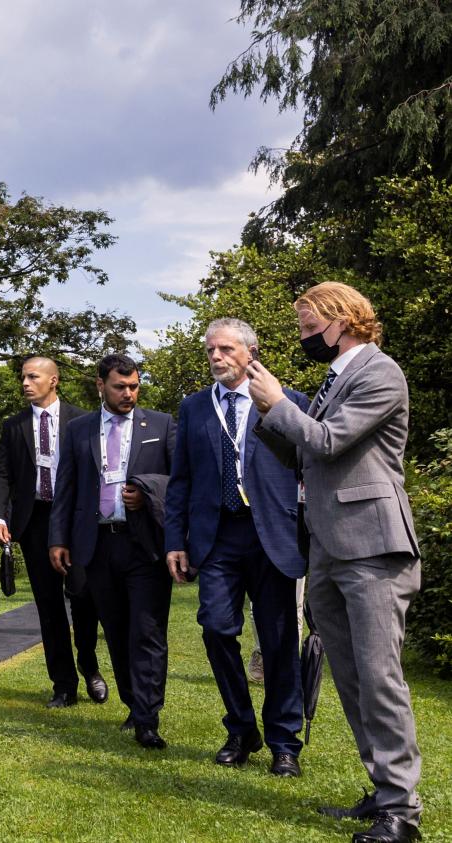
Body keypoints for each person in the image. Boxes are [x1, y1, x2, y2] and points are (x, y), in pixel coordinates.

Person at [249, 282, 422, 843]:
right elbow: (305, 455)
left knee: (379, 678)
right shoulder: (337, 377)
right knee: (350, 678)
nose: (302, 336)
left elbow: (328, 441)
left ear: (342, 319)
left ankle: (401, 813)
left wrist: (279, 404)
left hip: (372, 546)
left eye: (307, 326)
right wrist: (268, 415)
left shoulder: (379, 372)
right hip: (328, 548)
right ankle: (383, 791)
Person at [163, 318, 307, 777]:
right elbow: (180, 480)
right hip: (217, 537)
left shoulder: (287, 402)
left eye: (226, 349)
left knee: (279, 641)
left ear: (251, 352)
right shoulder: (194, 408)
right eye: (211, 350)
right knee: (216, 629)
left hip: (272, 537)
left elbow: (308, 474)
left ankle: (285, 742)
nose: (216, 357)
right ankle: (241, 728)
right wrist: (175, 540)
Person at [50, 353, 175, 749]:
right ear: (100, 384)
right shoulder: (79, 430)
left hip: (144, 545)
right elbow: (65, 487)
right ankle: (133, 703)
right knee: (117, 631)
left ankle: (147, 717)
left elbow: (180, 480)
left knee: (148, 630)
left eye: (134, 386)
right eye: (120, 386)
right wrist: (58, 538)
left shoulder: (161, 424)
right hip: (97, 544)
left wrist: (149, 491)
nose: (129, 393)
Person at [0, 357, 108, 707]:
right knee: (49, 606)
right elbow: (2, 475)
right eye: (23, 377)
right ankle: (64, 684)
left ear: (53, 380)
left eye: (33, 376)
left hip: (77, 519)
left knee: (84, 598)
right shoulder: (14, 426)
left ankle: (89, 665)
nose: (25, 383)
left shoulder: (83, 420)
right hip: (35, 520)